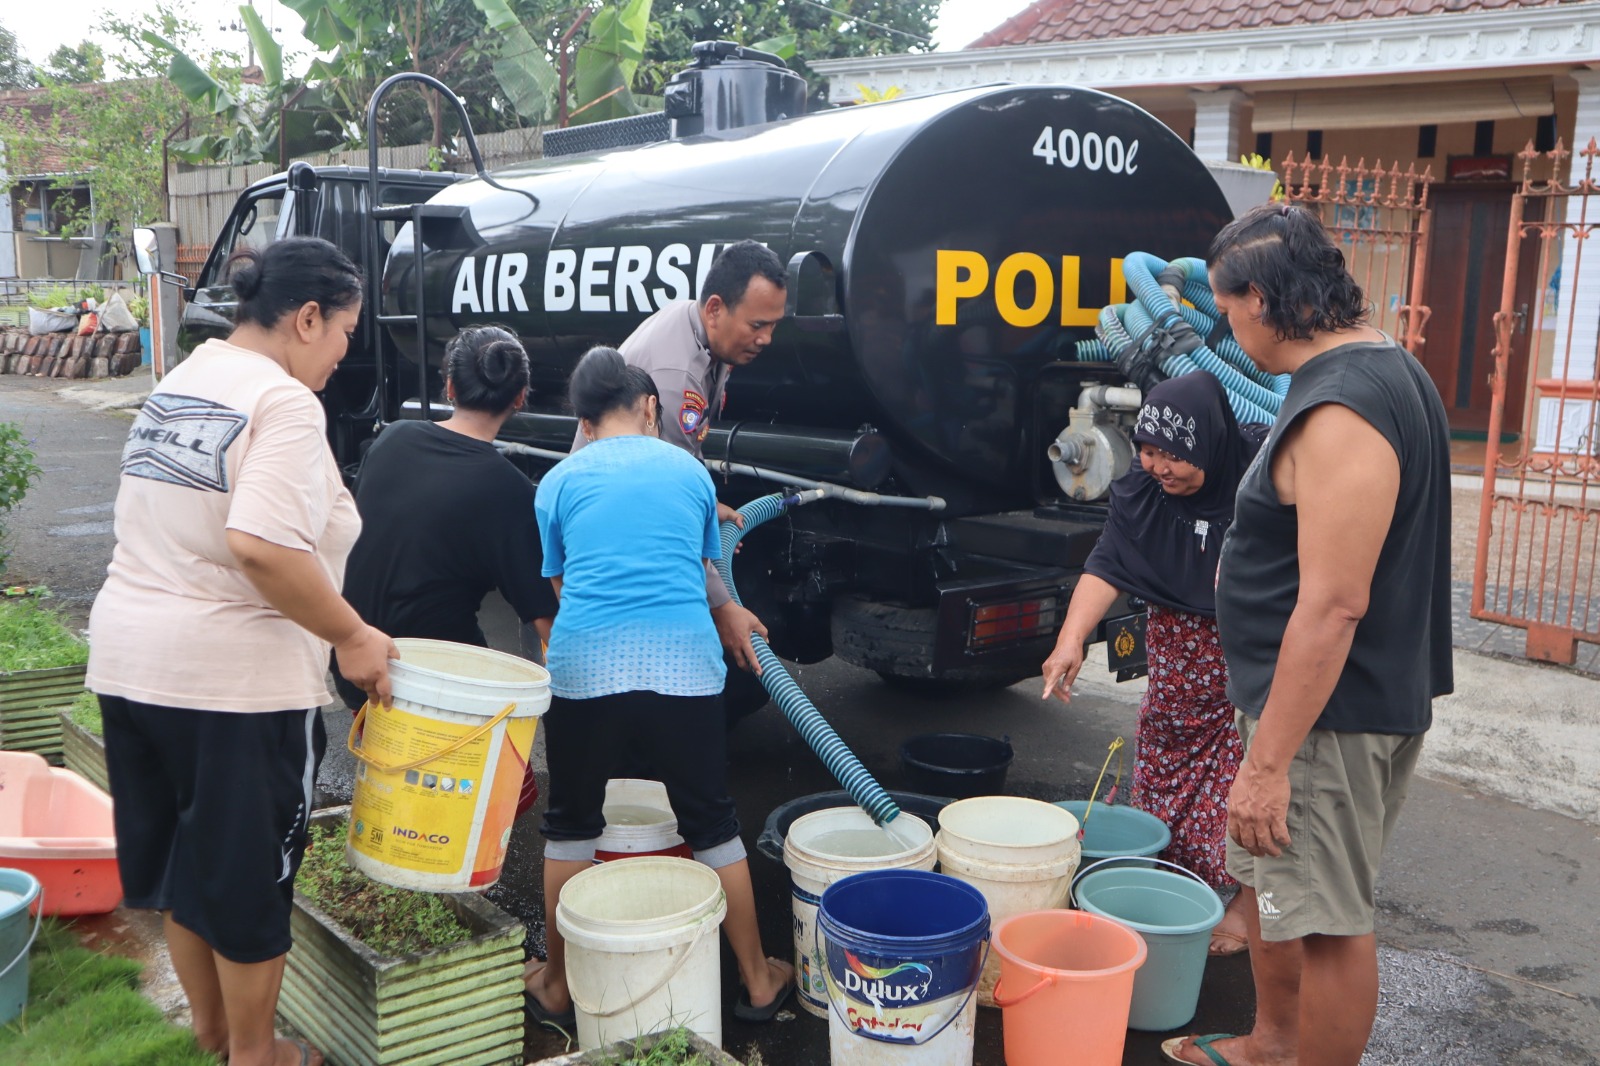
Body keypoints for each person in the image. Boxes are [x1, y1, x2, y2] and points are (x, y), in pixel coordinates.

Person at [87, 237, 396, 1066]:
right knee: (251, 884)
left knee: (192, 871)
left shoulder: (183, 379)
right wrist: (355, 637)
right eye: (342, 333)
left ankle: (217, 1036)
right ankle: (258, 1056)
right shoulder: (286, 403)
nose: (341, 354)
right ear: (305, 319)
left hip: (129, 667)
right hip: (233, 688)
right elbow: (260, 544)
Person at [1162, 203, 1452, 1066]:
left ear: (1258, 299)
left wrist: (1265, 764)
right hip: (1320, 707)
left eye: (1226, 309)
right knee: (1280, 891)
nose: (1227, 328)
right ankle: (1271, 1043)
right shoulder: (1384, 368)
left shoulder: (1344, 409)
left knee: (1329, 923)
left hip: (1329, 716)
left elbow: (1334, 605)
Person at [525, 346, 794, 1031]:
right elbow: (700, 568)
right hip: (682, 668)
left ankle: (557, 984)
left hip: (585, 669)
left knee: (571, 826)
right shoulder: (688, 471)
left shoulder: (555, 482)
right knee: (712, 823)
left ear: (582, 419)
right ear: (649, 407)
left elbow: (561, 584)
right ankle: (760, 981)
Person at [1041, 370, 1264, 956]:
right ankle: (1171, 885)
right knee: (1161, 761)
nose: (1159, 465)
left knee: (1241, 783)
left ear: (1210, 445)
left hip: (1244, 670)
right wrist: (1070, 642)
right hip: (1174, 667)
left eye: (1175, 454)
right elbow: (1109, 561)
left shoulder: (1260, 489)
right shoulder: (1142, 492)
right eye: (1148, 449)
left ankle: (1244, 902)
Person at [570, 239, 789, 724]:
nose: (767, 338)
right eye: (757, 325)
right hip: (620, 530)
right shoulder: (675, 373)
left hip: (638, 507)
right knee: (676, 680)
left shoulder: (704, 338)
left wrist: (708, 507)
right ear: (715, 308)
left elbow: (682, 456)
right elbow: (669, 507)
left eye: (773, 325)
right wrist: (723, 604)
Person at [334, 324, 558, 706]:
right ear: (520, 397)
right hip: (430, 681)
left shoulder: (391, 438)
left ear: (450, 387)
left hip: (354, 661)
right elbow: (545, 620)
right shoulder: (507, 488)